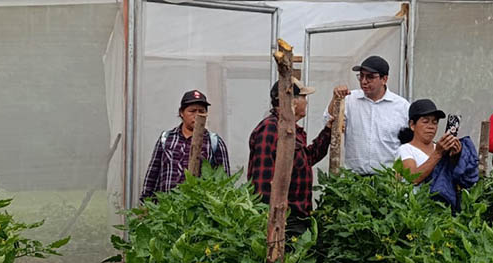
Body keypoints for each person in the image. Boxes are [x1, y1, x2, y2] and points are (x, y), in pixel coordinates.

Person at [247, 78, 347, 235]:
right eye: (303, 97)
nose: (306, 102)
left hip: (296, 216)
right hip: (283, 219)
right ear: (291, 101)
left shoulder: (291, 130)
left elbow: (308, 159)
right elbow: (262, 180)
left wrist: (328, 131)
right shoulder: (270, 129)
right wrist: (272, 220)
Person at [140, 90, 231, 200]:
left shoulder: (214, 142)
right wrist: (145, 202)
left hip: (198, 207)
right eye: (192, 111)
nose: (197, 115)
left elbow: (224, 181)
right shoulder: (166, 139)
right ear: (181, 113)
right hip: (167, 207)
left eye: (201, 111)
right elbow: (152, 175)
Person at [327, 55, 410, 175]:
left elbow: (411, 141)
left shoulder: (401, 106)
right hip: (355, 178)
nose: (364, 81)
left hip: (388, 178)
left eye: (370, 77)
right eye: (361, 76)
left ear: (384, 79)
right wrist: (336, 99)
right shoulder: (349, 100)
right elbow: (329, 121)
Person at [396, 99, 478, 211]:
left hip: (441, 210)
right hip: (414, 210)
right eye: (425, 122)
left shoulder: (439, 148)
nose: (431, 126)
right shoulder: (405, 150)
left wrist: (456, 157)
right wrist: (438, 153)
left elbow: (453, 179)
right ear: (412, 125)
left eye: (434, 122)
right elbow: (413, 178)